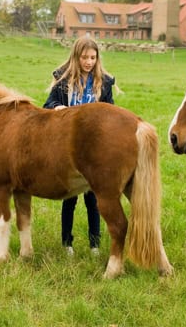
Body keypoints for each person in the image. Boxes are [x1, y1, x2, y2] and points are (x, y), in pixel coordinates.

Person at [44, 36, 116, 256]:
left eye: (93, 57)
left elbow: (110, 111)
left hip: (94, 148)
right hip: (69, 146)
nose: (89, 62)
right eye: (85, 57)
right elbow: (48, 104)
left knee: (93, 199)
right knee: (69, 197)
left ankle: (95, 244)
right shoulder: (63, 79)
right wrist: (57, 108)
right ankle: (67, 243)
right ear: (76, 57)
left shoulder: (103, 82)